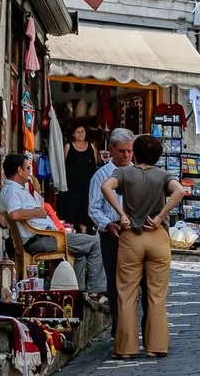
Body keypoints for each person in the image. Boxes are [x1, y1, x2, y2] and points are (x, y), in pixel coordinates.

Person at [112, 133, 186, 359]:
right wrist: (161, 216)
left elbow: (106, 187)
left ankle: (126, 349)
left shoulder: (124, 173)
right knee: (157, 295)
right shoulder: (163, 175)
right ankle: (156, 346)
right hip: (157, 236)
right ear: (158, 156)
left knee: (126, 294)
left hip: (132, 237)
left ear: (134, 153)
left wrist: (122, 214)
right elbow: (180, 191)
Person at [87, 127, 134, 319]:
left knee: (132, 281)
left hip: (134, 231)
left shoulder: (136, 172)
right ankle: (118, 325)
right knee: (115, 282)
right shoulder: (101, 175)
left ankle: (131, 324)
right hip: (112, 233)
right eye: (122, 151)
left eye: (129, 151)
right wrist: (108, 225)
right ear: (112, 150)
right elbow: (94, 209)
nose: (126, 155)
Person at [0, 153, 61, 262]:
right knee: (92, 243)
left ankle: (72, 279)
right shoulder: (12, 191)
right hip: (40, 239)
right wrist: (37, 212)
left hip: (45, 237)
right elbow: (14, 214)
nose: (29, 172)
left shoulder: (19, 189)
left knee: (79, 252)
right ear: (19, 170)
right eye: (28, 168)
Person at [55, 122, 98, 227]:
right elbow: (62, 164)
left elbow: (95, 163)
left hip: (87, 184)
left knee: (85, 206)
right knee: (72, 207)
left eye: (82, 132)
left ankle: (84, 232)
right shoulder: (68, 146)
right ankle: (72, 231)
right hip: (72, 184)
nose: (80, 134)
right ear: (73, 134)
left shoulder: (91, 146)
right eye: (78, 132)